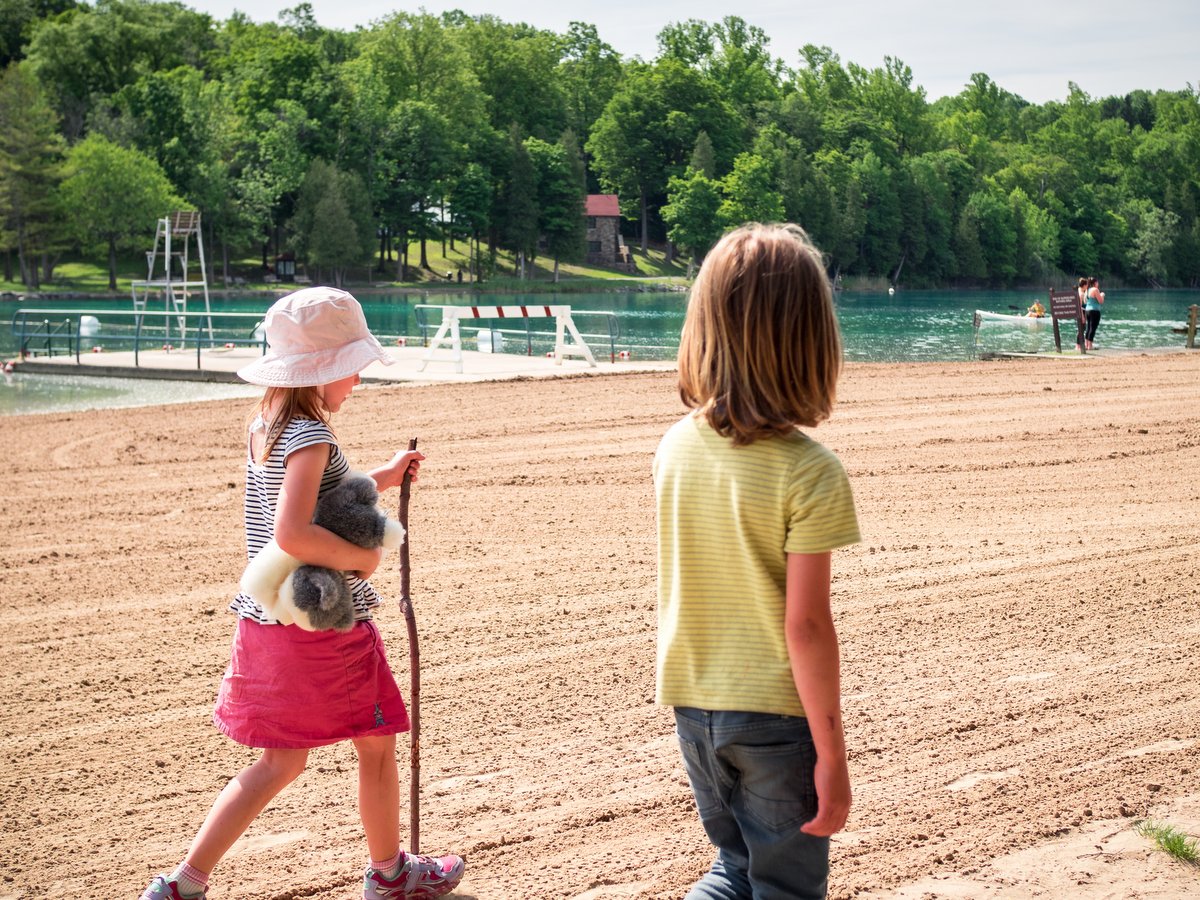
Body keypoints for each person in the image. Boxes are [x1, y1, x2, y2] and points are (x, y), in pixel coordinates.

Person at [140, 287, 464, 900]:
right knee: (376, 744)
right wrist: (363, 557)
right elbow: (295, 529)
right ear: (324, 370)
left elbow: (308, 497)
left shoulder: (268, 424)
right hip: (325, 624)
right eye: (354, 367)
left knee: (279, 762)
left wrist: (383, 475)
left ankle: (183, 883)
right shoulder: (312, 434)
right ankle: (391, 875)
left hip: (267, 619)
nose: (359, 380)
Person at [653, 224, 861, 899]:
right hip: (774, 717)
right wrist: (832, 754)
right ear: (810, 342)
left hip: (693, 705)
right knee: (786, 886)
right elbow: (805, 627)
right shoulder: (811, 473)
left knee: (735, 869)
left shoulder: (675, 448)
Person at [1084, 276, 1105, 349]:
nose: (1098, 283)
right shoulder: (1095, 289)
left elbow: (1085, 301)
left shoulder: (1087, 290)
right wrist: (1102, 295)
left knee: (1088, 328)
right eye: (1097, 282)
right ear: (1095, 283)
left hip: (1087, 311)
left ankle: (1086, 345)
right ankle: (1090, 346)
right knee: (1093, 328)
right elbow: (1101, 301)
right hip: (1095, 311)